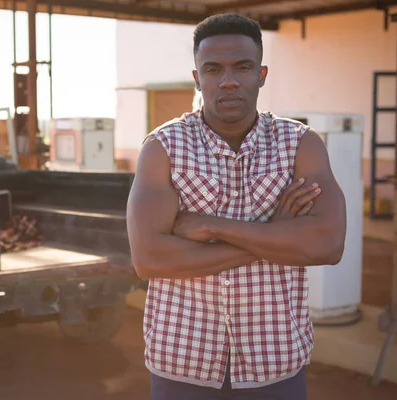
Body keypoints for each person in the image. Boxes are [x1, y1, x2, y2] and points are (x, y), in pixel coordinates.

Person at [126, 12, 347, 400]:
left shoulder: (299, 145)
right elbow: (149, 259)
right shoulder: (164, 147)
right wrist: (276, 233)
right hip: (183, 364)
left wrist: (211, 227)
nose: (228, 80)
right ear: (198, 78)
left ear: (261, 74)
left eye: (242, 67)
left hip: (274, 363)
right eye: (213, 69)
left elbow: (327, 245)